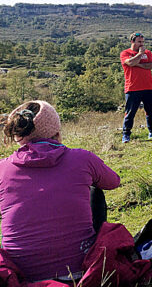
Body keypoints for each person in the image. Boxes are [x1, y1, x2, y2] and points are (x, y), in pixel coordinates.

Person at [0, 100, 121, 282]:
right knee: (95, 190)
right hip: (80, 273)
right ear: (56, 133)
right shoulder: (82, 158)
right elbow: (113, 181)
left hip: (23, 277)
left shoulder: (2, 168)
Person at [121, 32, 152, 143]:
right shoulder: (125, 53)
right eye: (139, 42)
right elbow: (130, 62)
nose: (141, 44)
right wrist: (139, 55)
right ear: (132, 42)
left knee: (150, 111)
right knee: (130, 112)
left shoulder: (148, 53)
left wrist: (138, 64)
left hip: (148, 86)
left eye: (143, 42)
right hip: (133, 88)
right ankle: (126, 134)